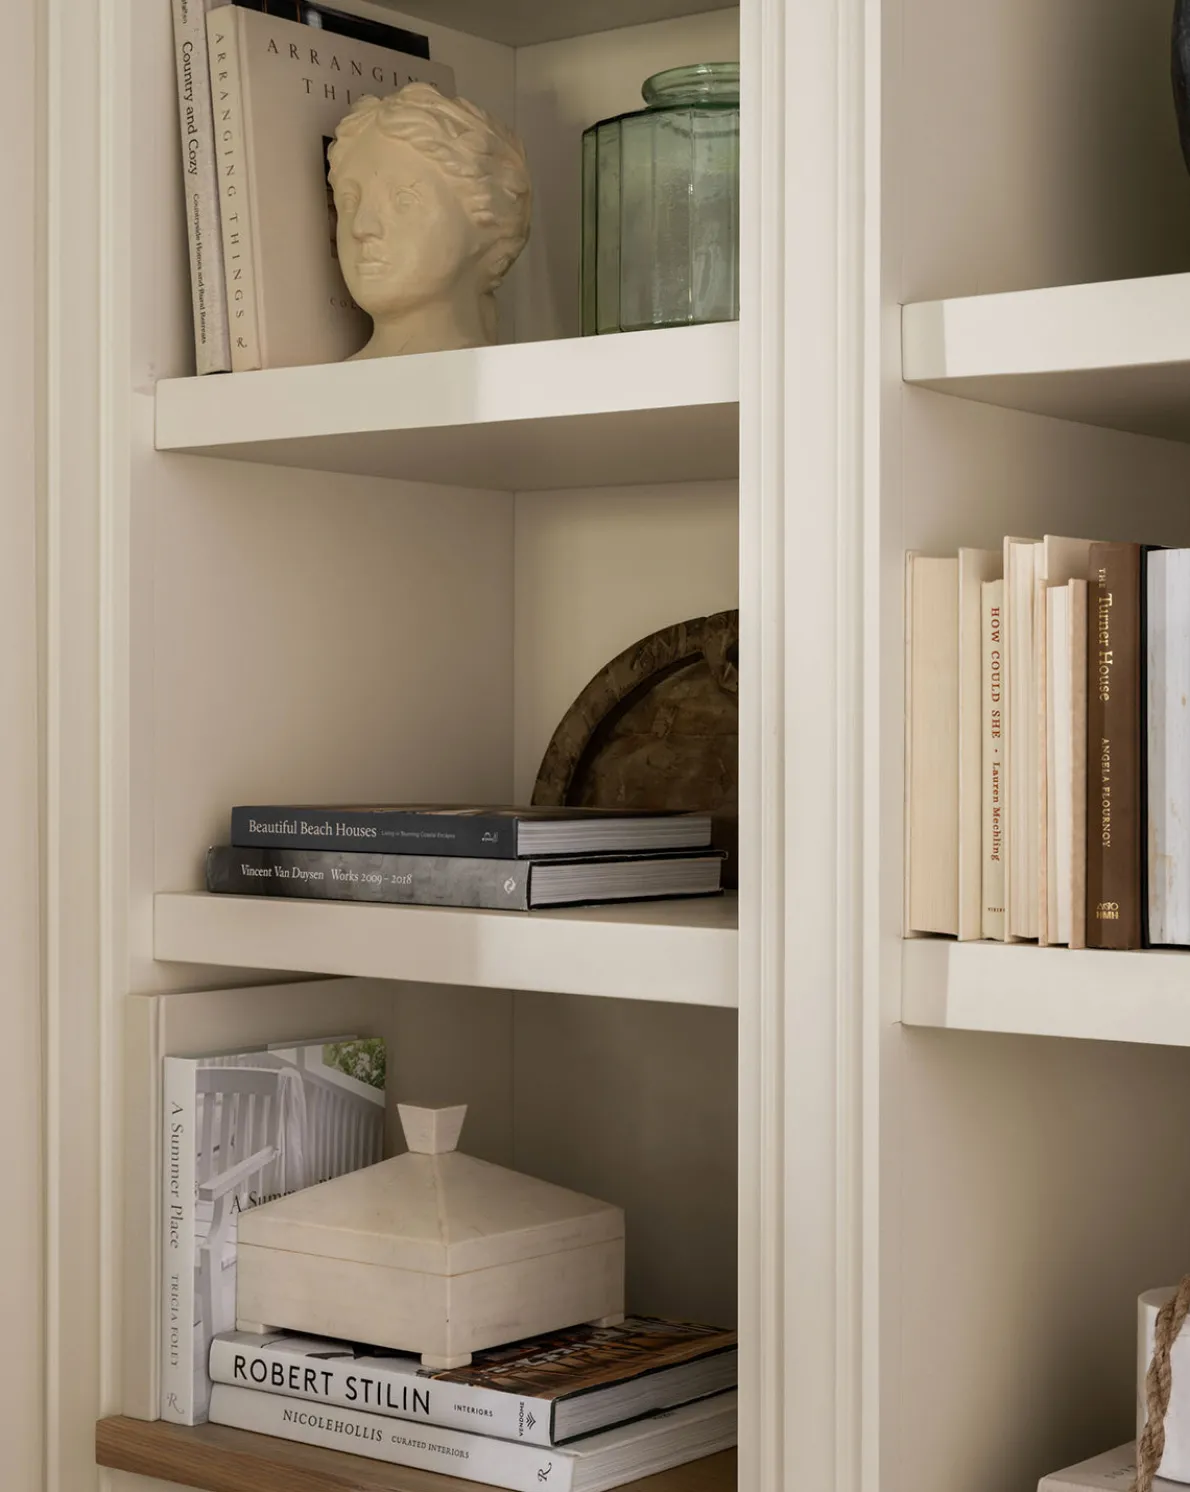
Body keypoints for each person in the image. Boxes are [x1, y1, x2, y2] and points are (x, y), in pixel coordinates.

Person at [327, 83, 531, 358]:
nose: (361, 227)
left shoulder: (510, 384)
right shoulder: (321, 390)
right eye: (349, 202)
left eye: (403, 199)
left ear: (487, 217)